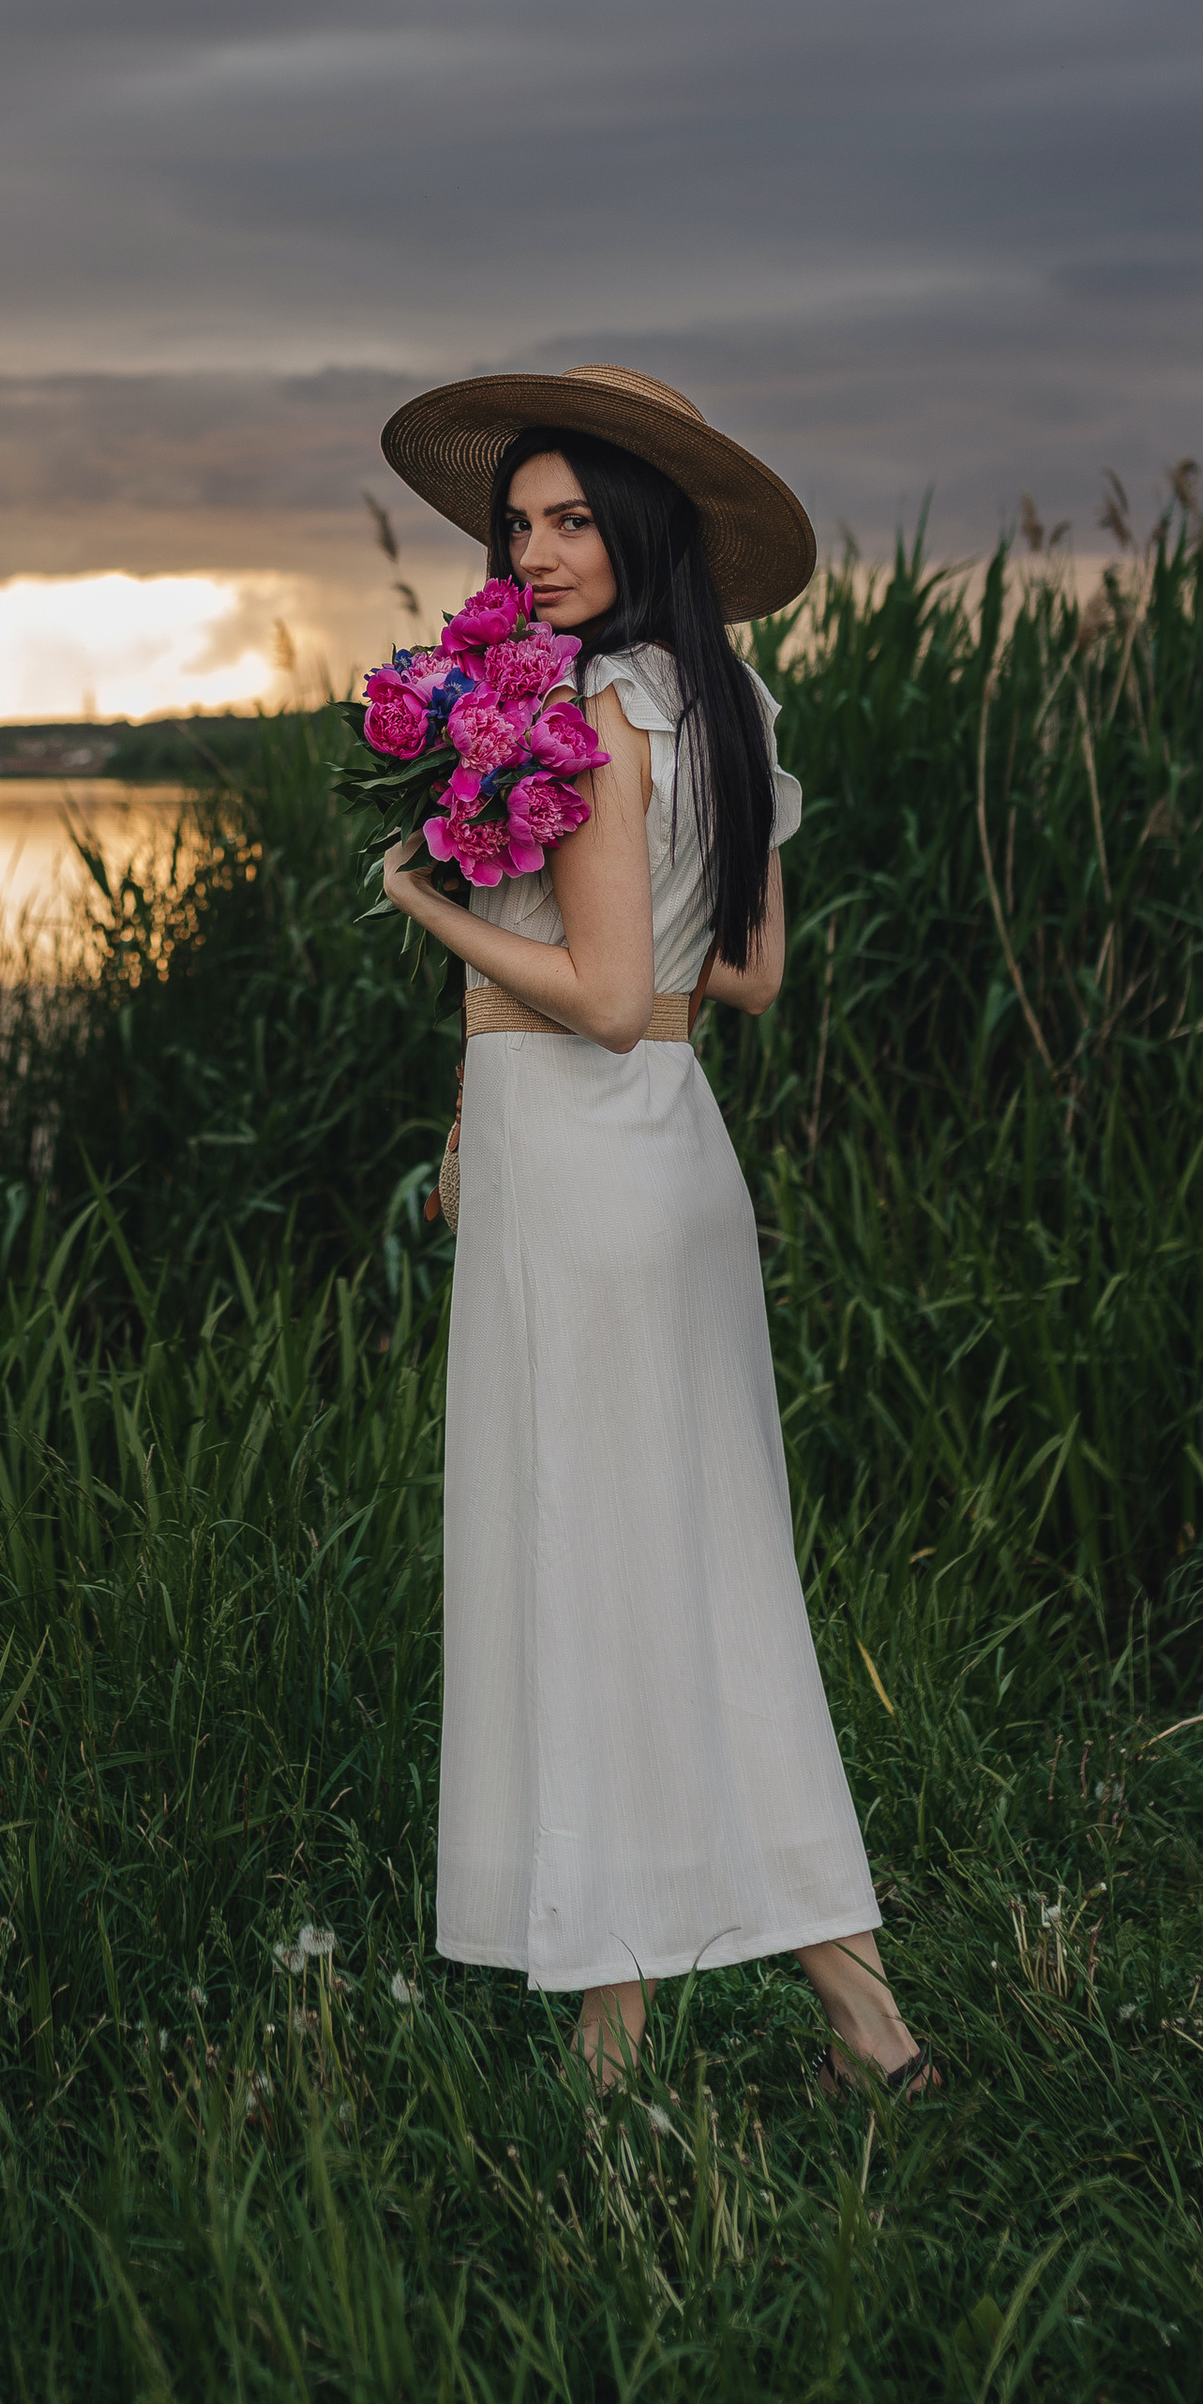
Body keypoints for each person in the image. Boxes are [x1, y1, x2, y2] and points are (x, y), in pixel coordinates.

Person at [375, 360, 931, 2097]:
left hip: (591, 1175)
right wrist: (485, 1080)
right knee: (682, 1582)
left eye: (569, 519)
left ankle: (656, 2048)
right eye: (517, 523)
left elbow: (609, 994)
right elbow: (737, 976)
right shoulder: (731, 700)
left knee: (593, 1576)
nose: (534, 551)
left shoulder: (594, 716)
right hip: (672, 1164)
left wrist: (426, 898)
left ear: (642, 526)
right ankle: (841, 2029)